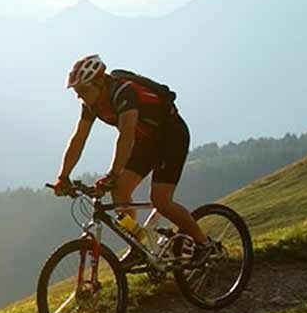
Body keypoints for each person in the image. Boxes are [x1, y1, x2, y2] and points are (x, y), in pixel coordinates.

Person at [51, 54, 210, 264]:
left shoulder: (124, 93)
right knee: (120, 190)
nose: (79, 96)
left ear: (99, 83)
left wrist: (113, 173)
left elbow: (126, 133)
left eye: (82, 90)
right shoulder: (92, 104)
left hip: (171, 136)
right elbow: (79, 138)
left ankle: (204, 244)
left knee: (161, 200)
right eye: (76, 91)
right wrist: (63, 176)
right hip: (146, 142)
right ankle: (138, 247)